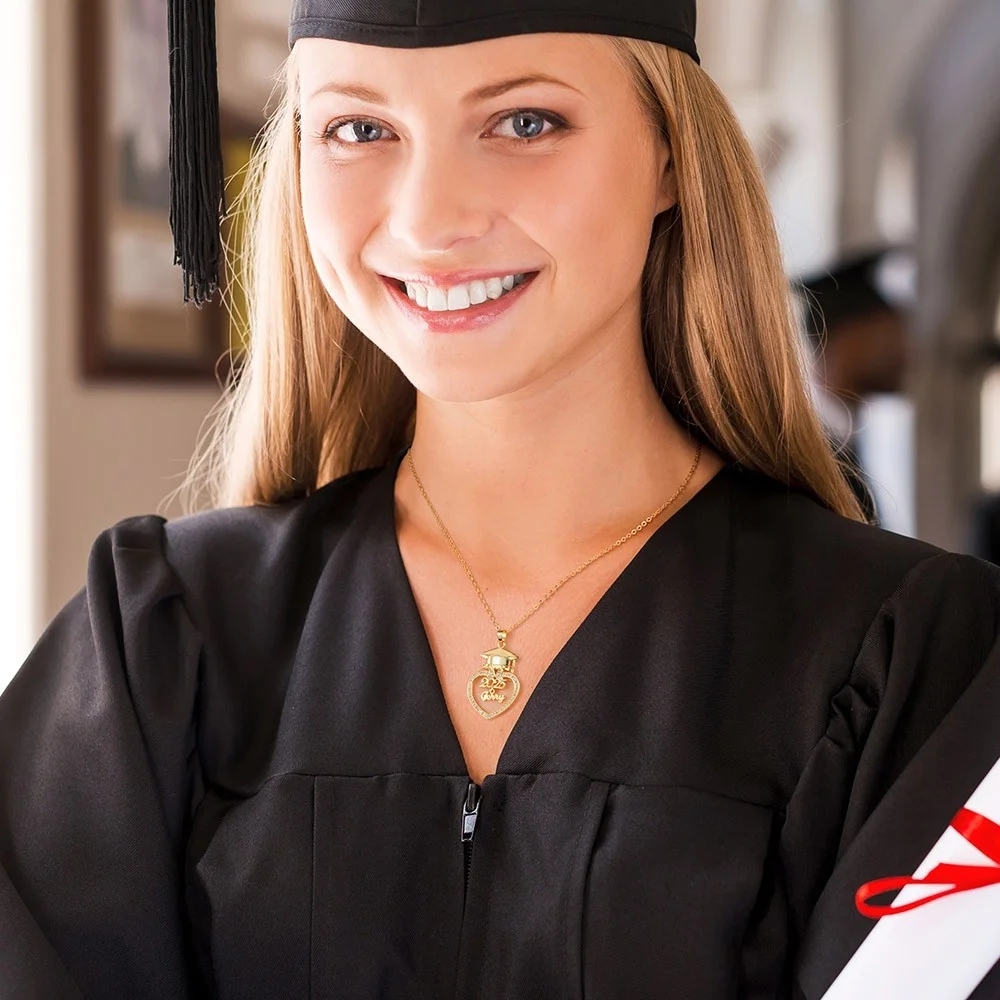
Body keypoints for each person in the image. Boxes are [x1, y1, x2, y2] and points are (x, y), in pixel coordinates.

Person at [3, 2, 1000, 997]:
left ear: (669, 155)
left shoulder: (908, 662)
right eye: (359, 129)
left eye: (524, 122)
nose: (431, 219)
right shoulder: (160, 643)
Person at [797, 249, 913, 524]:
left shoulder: (845, 445)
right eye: (893, 334)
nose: (906, 352)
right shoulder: (807, 458)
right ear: (852, 340)